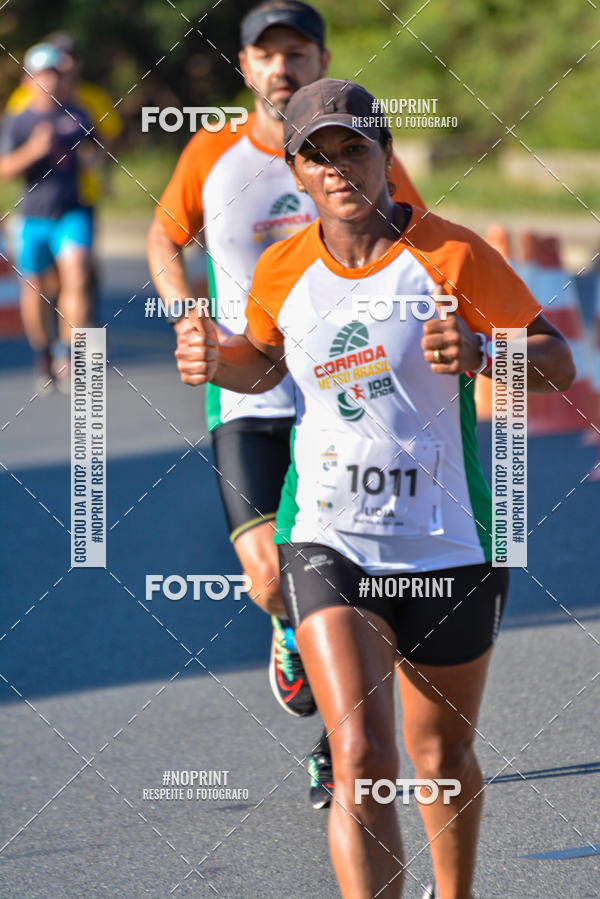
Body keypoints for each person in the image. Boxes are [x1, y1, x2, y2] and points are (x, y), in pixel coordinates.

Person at [174, 78, 575, 897]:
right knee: (360, 757)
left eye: (353, 148)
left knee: (440, 755)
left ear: (386, 155)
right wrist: (218, 361)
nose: (337, 169)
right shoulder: (284, 267)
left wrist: (483, 352)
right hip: (327, 535)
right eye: (316, 156)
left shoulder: (452, 254)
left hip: (450, 540)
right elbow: (263, 363)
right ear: (296, 172)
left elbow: (558, 362)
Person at [147, 0, 425, 810]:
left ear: (320, 57)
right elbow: (167, 236)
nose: (282, 67)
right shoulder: (214, 154)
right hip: (246, 385)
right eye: (266, 55)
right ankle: (283, 628)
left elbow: (411, 232)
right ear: (245, 68)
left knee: (350, 580)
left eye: (297, 51)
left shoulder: (355, 146)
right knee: (271, 575)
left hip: (344, 396)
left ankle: (338, 746)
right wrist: (185, 307)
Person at [6, 31, 124, 324]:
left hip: (82, 198)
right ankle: (52, 348)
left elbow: (106, 141)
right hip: (37, 206)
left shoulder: (90, 100)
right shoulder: (22, 103)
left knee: (82, 275)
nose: (65, 68)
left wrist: (100, 168)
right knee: (48, 282)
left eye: (70, 59)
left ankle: (85, 352)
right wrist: (33, 151)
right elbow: (10, 154)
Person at [0, 43, 96, 390]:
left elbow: (97, 153)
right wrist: (34, 150)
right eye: (42, 76)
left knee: (78, 276)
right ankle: (42, 353)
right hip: (33, 216)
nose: (50, 83)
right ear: (29, 80)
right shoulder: (17, 121)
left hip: (72, 212)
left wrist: (94, 161)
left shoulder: (78, 115)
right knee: (35, 288)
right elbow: (5, 169)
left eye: (55, 75)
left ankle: (68, 352)